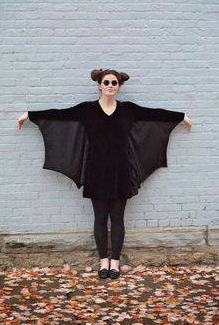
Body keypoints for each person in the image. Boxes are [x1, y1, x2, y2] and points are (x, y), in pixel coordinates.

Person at [18, 68, 192, 279]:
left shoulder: (129, 110)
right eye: (107, 82)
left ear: (119, 86)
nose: (110, 86)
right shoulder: (86, 110)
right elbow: (60, 114)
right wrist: (31, 115)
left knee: (117, 218)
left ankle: (115, 263)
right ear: (99, 85)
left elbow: (153, 113)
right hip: (95, 170)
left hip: (121, 171)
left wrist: (181, 117)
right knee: (100, 218)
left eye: (114, 83)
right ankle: (103, 262)